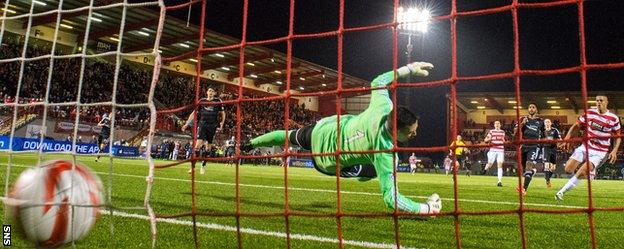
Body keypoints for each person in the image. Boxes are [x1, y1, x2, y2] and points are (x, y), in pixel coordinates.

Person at [242, 62, 441, 215]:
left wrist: (408, 68)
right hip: (326, 161)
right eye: (411, 132)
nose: (414, 134)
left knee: (286, 136)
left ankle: (249, 144)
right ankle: (362, 170)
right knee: (385, 165)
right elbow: (392, 199)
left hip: (323, 130)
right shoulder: (386, 153)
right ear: (396, 129)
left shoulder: (384, 107)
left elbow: (378, 81)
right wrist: (426, 208)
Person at [556, 95, 621, 201]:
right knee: (568, 169)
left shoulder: (613, 118)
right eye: (597, 101)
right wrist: (567, 137)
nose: (599, 102)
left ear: (607, 102)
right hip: (586, 146)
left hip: (600, 151)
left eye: (601, 100)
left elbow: (618, 136)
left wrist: (614, 150)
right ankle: (590, 170)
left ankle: (561, 192)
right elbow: (577, 125)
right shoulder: (590, 112)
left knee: (582, 171)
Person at [182, 86, 226, 174]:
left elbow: (223, 113)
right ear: (206, 92)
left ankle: (203, 165)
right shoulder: (202, 101)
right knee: (197, 146)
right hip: (202, 125)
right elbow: (194, 113)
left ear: (214, 93)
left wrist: (222, 123)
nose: (210, 92)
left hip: (212, 126)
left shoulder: (218, 101)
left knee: (208, 147)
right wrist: (187, 123)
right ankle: (193, 167)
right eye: (209, 90)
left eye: (212, 91)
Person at [513, 103, 544, 196]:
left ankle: (524, 189)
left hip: (534, 146)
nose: (531, 109)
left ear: (536, 110)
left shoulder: (540, 121)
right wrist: (522, 124)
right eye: (529, 107)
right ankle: (533, 171)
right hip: (524, 145)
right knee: (524, 169)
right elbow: (515, 133)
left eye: (533, 107)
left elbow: (544, 134)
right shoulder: (522, 119)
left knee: (528, 165)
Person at [483, 120, 506, 187]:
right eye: (496, 123)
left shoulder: (502, 132)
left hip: (500, 150)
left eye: (498, 123)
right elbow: (485, 140)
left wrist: (504, 142)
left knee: (499, 165)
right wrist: (489, 139)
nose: (497, 124)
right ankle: (485, 169)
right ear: (494, 125)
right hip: (492, 150)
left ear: (500, 125)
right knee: (490, 164)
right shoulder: (491, 131)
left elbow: (503, 140)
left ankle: (499, 181)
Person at [542, 119, 561, 188]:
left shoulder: (555, 130)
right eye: (546, 122)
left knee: (553, 168)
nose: (547, 123)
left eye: (548, 122)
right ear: (544, 124)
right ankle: (548, 181)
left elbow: (559, 139)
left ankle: (547, 177)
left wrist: (559, 143)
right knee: (546, 165)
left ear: (550, 123)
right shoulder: (542, 132)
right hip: (546, 149)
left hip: (553, 149)